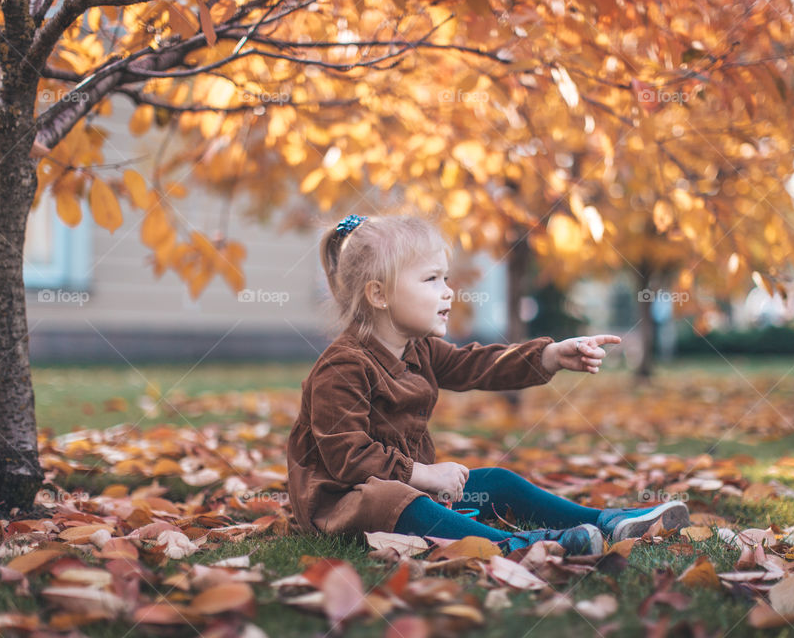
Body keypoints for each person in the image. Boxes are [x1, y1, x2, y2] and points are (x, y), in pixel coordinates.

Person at [285, 214, 689, 556]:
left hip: (412, 486)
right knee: (392, 497)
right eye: (430, 279)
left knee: (494, 481)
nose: (448, 291)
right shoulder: (342, 368)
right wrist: (423, 474)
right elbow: (348, 457)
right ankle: (519, 546)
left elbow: (476, 364)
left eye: (446, 277)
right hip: (343, 506)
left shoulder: (419, 349)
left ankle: (606, 522)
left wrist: (548, 356)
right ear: (379, 294)